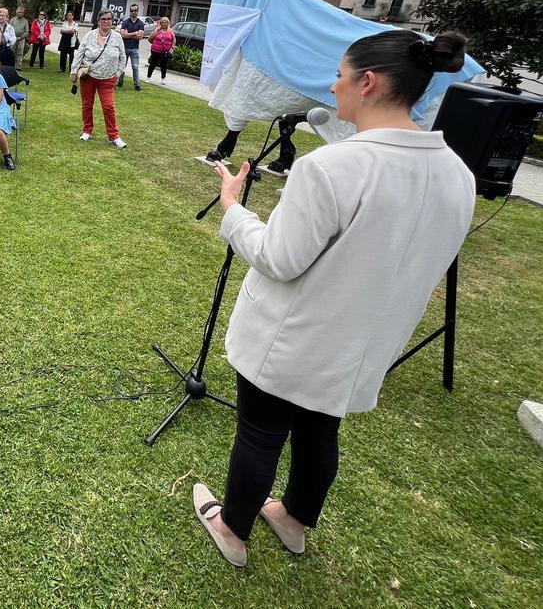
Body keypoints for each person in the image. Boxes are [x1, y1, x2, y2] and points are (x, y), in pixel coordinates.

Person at [193, 30, 476, 570]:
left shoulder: (329, 169)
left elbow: (279, 257)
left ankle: (232, 529)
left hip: (293, 338)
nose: (331, 85)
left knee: (261, 432)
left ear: (366, 82)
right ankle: (294, 520)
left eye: (340, 75)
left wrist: (232, 208)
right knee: (321, 430)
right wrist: (329, 125)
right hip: (363, 343)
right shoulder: (457, 175)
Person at [69, 8, 128, 148]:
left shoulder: (117, 37)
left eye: (109, 19)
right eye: (103, 19)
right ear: (98, 21)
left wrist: (118, 73)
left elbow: (123, 57)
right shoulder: (89, 35)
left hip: (108, 78)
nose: (106, 21)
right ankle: (87, 130)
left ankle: (114, 136)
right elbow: (79, 53)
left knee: (108, 107)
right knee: (87, 104)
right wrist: (73, 71)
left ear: (112, 21)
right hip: (88, 77)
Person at [117, 3, 145, 90]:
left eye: (135, 10)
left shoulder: (140, 23)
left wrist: (128, 34)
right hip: (124, 47)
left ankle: (137, 85)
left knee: (135, 67)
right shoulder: (125, 22)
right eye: (132, 10)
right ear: (130, 11)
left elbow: (140, 36)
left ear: (137, 11)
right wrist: (134, 33)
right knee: (122, 66)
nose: (133, 12)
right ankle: (119, 83)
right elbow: (122, 35)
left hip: (135, 49)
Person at [146, 16, 175, 84]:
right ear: (160, 23)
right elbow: (150, 39)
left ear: (168, 23)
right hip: (155, 50)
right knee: (153, 64)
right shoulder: (157, 30)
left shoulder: (170, 31)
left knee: (164, 65)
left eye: (166, 22)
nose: (164, 23)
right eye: (163, 22)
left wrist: (172, 48)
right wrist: (155, 44)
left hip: (165, 51)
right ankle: (148, 77)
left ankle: (163, 78)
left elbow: (173, 40)